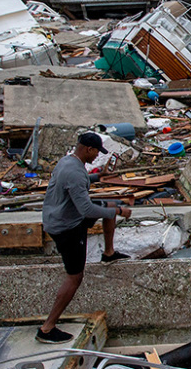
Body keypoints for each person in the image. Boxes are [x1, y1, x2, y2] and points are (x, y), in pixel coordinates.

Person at [37, 132, 131, 344]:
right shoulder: (75, 173)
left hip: (62, 215)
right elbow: (86, 209)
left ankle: (108, 252)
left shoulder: (68, 162)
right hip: (66, 227)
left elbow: (79, 184)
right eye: (97, 151)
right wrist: (119, 212)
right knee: (75, 277)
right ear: (88, 149)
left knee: (108, 205)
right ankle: (47, 327)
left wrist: (99, 177)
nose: (98, 155)